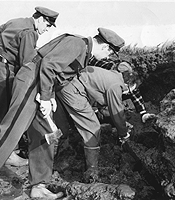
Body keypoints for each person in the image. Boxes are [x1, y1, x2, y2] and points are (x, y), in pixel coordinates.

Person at [0, 6, 60, 200]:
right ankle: (3, 156)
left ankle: (8, 154)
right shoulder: (29, 32)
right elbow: (27, 63)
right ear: (39, 19)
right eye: (47, 24)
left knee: (4, 112)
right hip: (5, 70)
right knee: (9, 117)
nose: (47, 29)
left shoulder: (16, 21)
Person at [37, 27, 131, 183]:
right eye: (109, 53)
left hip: (62, 86)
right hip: (70, 89)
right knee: (92, 127)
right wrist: (123, 133)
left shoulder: (106, 73)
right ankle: (92, 170)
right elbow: (117, 112)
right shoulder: (116, 85)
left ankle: (51, 161)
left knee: (61, 127)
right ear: (106, 46)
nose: (106, 57)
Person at [88, 56, 157, 123]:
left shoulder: (128, 74)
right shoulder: (104, 70)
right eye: (126, 89)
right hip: (92, 89)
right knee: (106, 114)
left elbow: (135, 93)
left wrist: (143, 113)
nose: (129, 91)